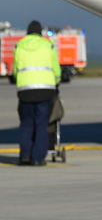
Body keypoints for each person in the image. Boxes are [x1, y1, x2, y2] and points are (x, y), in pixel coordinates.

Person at [13, 20, 61, 166]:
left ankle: (25, 156)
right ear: (40, 32)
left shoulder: (19, 46)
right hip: (45, 90)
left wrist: (21, 81)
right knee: (42, 124)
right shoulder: (48, 46)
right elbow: (56, 69)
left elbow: (15, 70)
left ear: (27, 32)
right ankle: (38, 158)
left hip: (25, 91)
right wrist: (56, 81)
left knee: (26, 123)